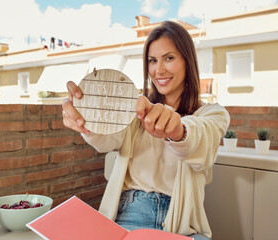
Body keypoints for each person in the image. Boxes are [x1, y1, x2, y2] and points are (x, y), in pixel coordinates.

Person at [62, 21, 230, 240]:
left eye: (169, 58)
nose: (158, 70)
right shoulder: (134, 108)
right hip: (131, 215)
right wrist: (87, 119)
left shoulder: (212, 114)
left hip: (183, 225)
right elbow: (106, 140)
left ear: (187, 61)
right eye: (152, 60)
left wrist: (178, 129)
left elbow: (201, 140)